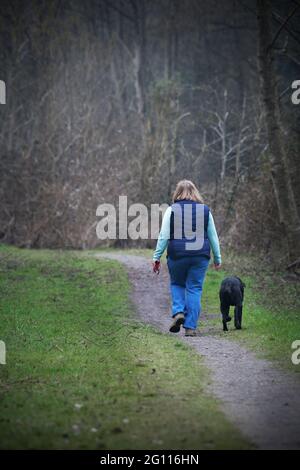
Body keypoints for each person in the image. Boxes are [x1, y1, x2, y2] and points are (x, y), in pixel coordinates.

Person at [152, 180, 221, 337]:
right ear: (195, 193)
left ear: (177, 193)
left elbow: (164, 236)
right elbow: (213, 237)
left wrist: (157, 257)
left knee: (177, 283)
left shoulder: (172, 210)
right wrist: (217, 258)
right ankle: (190, 327)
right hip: (200, 256)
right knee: (194, 288)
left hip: (178, 254)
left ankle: (178, 312)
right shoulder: (205, 211)